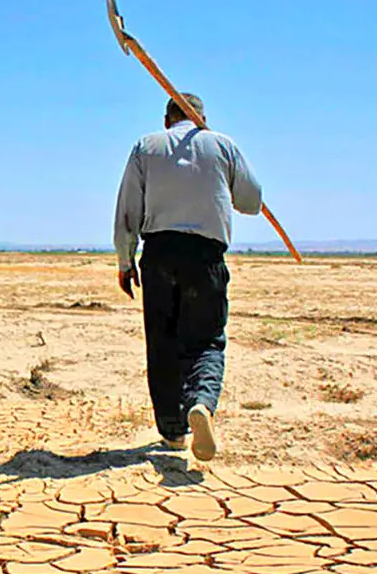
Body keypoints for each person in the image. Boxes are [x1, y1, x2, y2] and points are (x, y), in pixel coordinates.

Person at [112, 93, 264, 461]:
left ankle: (172, 431)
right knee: (206, 341)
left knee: (162, 344)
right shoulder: (222, 146)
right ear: (200, 117)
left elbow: (128, 209)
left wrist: (124, 260)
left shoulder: (146, 146)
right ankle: (200, 404)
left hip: (159, 255)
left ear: (167, 120)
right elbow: (252, 202)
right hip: (205, 257)